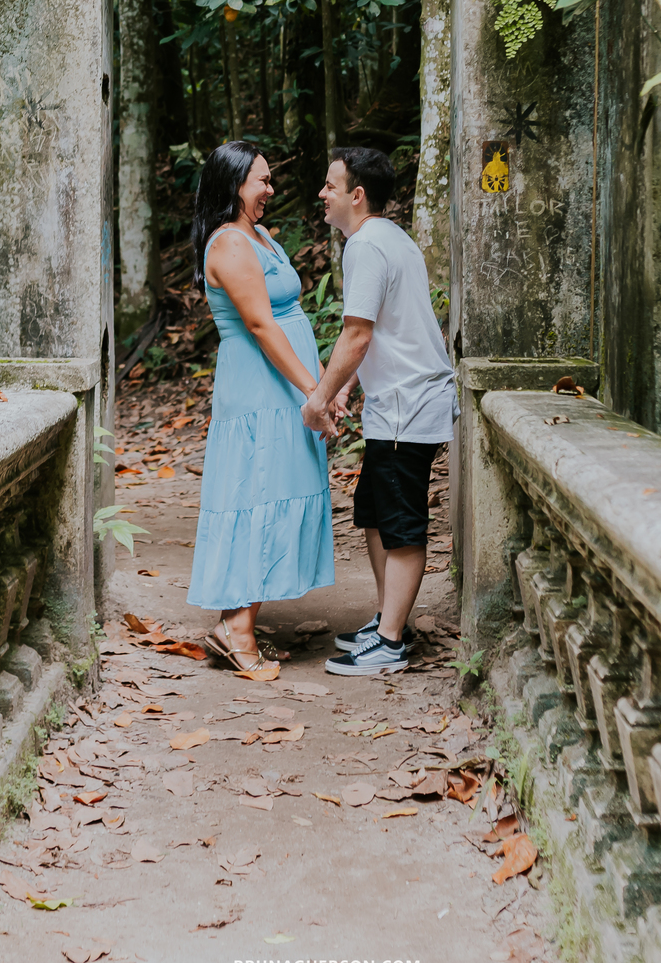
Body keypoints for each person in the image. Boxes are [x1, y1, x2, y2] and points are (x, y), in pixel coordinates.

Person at [302, 146, 458, 676]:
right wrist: (345, 386)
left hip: (407, 409)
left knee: (401, 522)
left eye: (330, 185)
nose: (322, 194)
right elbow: (386, 331)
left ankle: (390, 643)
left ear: (357, 194)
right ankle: (389, 619)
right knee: (372, 510)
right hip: (400, 403)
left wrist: (319, 396)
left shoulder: (367, 245)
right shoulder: (392, 238)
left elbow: (358, 332)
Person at [186, 139, 333, 680]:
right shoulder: (227, 245)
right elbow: (261, 326)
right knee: (258, 491)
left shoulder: (260, 236)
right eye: (261, 181)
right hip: (259, 390)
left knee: (276, 491)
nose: (270, 190)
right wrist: (314, 391)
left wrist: (318, 386)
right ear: (233, 186)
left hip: (283, 387)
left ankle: (239, 623)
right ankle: (237, 629)